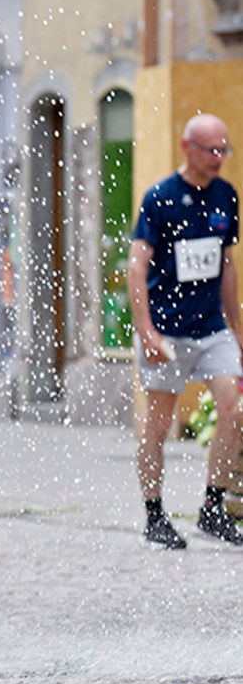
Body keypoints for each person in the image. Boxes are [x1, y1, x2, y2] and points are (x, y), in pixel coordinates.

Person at [129, 112, 243, 549]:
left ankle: (213, 508)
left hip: (211, 328)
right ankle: (154, 515)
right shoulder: (161, 198)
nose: (218, 157)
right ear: (187, 148)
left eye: (223, 149)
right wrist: (147, 332)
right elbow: (137, 267)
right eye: (211, 149)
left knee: (234, 410)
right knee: (159, 425)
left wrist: (236, 327)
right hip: (167, 330)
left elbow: (227, 264)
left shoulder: (226, 196)